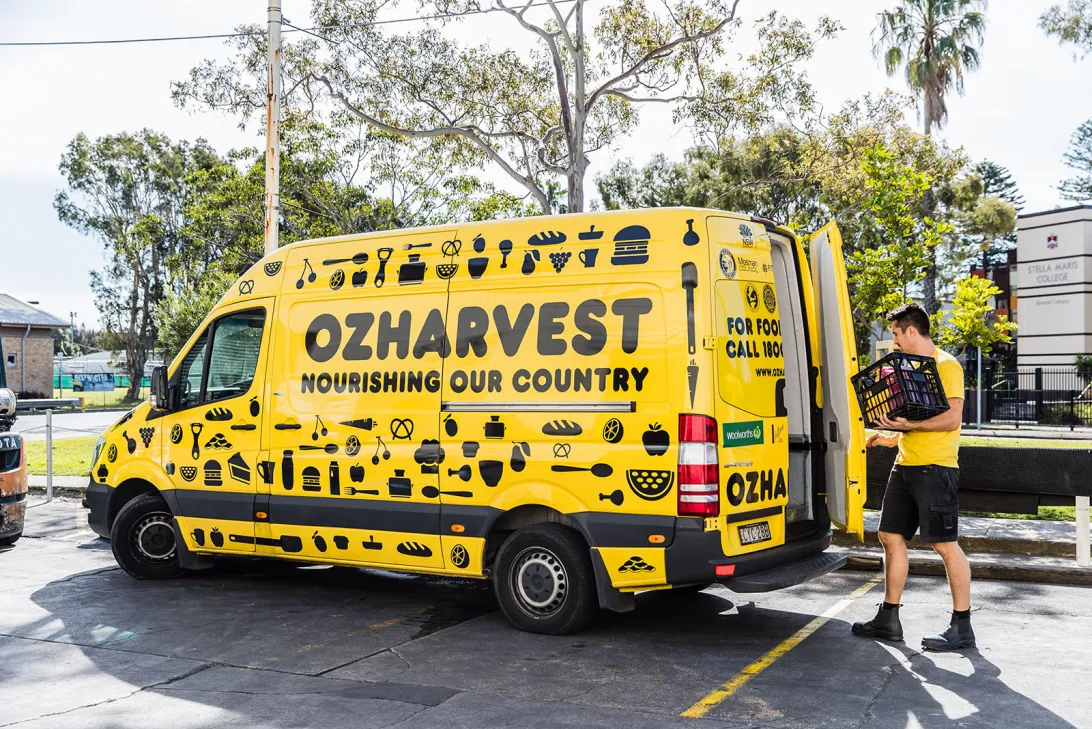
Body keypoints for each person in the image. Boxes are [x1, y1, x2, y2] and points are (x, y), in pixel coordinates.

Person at [851, 302, 974, 652]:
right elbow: (915, 418)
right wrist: (892, 436)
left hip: (936, 468)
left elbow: (951, 419)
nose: (894, 343)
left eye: (895, 334)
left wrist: (913, 426)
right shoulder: (910, 370)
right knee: (889, 535)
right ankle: (889, 618)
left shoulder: (946, 365)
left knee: (944, 544)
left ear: (911, 331)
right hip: (906, 466)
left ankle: (962, 626)